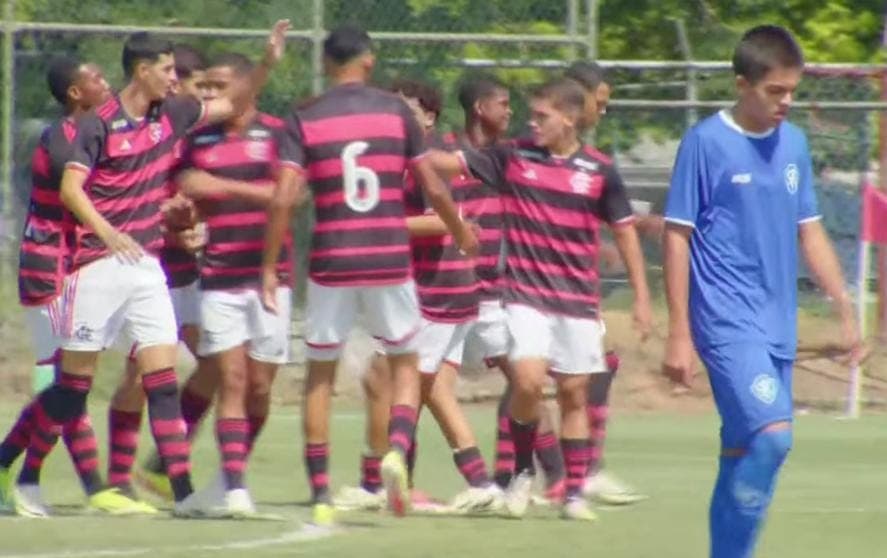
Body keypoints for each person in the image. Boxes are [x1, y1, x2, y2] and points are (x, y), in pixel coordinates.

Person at [0, 21, 289, 518]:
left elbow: (232, 103)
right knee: (71, 390)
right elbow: (72, 191)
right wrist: (107, 232)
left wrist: (265, 62)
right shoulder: (96, 124)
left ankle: (182, 493)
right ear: (143, 70)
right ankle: (8, 463)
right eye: (168, 70)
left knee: (161, 378)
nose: (177, 80)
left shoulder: (171, 114)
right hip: (92, 268)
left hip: (146, 267)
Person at [260, 24, 478, 526]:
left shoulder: (305, 116)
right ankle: (397, 451)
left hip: (332, 260)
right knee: (405, 362)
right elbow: (433, 185)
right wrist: (459, 231)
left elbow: (285, 197)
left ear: (327, 64)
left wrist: (270, 266)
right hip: (388, 257)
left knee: (320, 374)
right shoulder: (395, 111)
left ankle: (319, 494)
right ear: (368, 61)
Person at [661, 25, 863, 558]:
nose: (786, 102)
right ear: (742, 84)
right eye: (776, 91)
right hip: (726, 320)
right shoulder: (705, 143)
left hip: (779, 321)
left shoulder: (793, 143)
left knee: (743, 448)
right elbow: (676, 237)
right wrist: (678, 331)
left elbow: (809, 229)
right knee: (775, 437)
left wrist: (844, 304)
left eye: (793, 90)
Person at [430, 77, 652, 521]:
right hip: (525, 297)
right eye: (531, 115)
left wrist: (642, 297)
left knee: (573, 395)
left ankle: (572, 494)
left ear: (569, 119)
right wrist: (403, 146)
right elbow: (445, 163)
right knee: (528, 381)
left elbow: (624, 233)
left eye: (542, 116)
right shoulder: (513, 156)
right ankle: (522, 471)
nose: (532, 122)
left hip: (577, 302)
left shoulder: (599, 170)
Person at [336, 78, 500, 514]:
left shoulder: (424, 162)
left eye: (407, 110)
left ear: (428, 116)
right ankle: (479, 481)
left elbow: (443, 221)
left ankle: (382, 480)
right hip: (448, 288)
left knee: (386, 377)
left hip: (435, 291)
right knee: (432, 389)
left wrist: (378, 225)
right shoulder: (410, 158)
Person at [0, 57, 153, 517]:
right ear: (74, 93)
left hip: (77, 267)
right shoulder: (66, 136)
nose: (106, 84)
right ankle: (29, 477)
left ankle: (72, 482)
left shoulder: (97, 133)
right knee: (66, 384)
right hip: (50, 269)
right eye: (97, 78)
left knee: (72, 384)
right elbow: (83, 193)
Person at [168, 52, 298, 517]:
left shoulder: (280, 133)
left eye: (218, 86)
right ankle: (236, 485)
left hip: (271, 276)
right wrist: (187, 214)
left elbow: (290, 195)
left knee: (261, 387)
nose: (208, 95)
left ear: (248, 88)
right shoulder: (197, 137)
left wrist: (220, 185)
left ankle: (225, 479)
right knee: (233, 380)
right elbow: (186, 185)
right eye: (205, 86)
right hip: (219, 276)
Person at [563, 59, 647, 505]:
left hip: (574, 285)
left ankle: (579, 470)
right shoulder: (532, 148)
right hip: (531, 286)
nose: (603, 112)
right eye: (602, 102)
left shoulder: (592, 161)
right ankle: (525, 474)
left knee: (595, 366)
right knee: (531, 379)